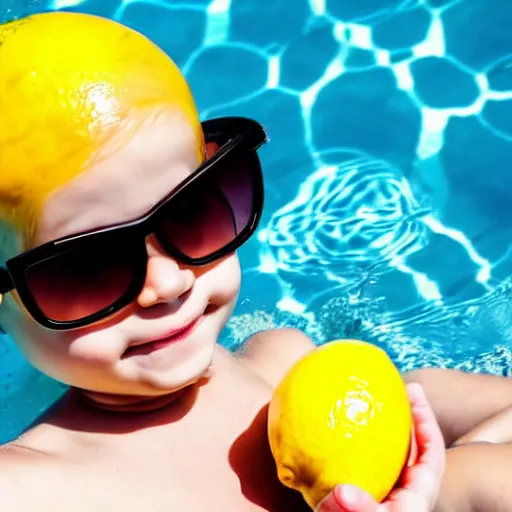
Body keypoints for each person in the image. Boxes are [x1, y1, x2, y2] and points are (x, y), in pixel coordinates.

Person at [0, 11, 445, 511]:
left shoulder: (283, 364)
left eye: (190, 212)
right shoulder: (27, 490)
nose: (168, 283)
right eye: (87, 265)